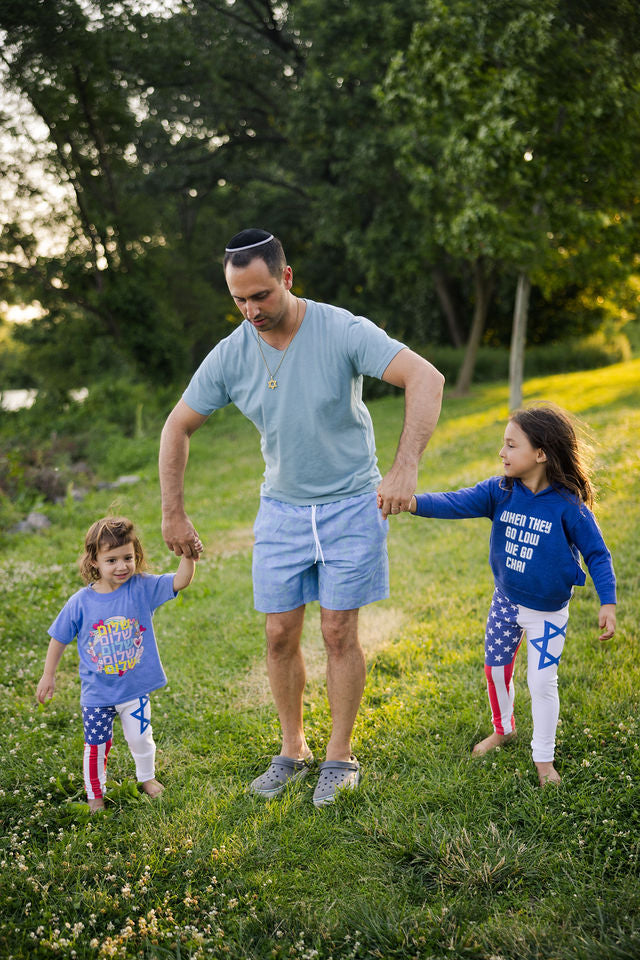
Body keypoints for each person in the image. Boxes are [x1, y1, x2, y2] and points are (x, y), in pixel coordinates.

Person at [159, 228, 444, 807]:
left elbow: (426, 377)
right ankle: (293, 750)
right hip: (282, 509)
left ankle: (339, 756)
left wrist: (404, 468)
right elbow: (176, 427)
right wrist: (174, 513)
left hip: (349, 503)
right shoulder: (232, 353)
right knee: (278, 633)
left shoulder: (340, 329)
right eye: (239, 299)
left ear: (287, 278)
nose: (251, 310)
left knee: (338, 631)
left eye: (261, 295)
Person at [394, 403, 616, 786]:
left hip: (546, 612)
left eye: (512, 445)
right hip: (505, 602)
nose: (502, 453)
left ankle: (543, 761)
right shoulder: (500, 492)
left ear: (541, 453)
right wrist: (411, 503)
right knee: (496, 671)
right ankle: (504, 728)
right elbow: (454, 501)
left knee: (542, 684)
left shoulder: (569, 507)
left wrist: (608, 602)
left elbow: (597, 553)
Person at [36, 515, 201, 812]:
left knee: (141, 739)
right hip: (97, 695)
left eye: (128, 557)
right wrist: (49, 675)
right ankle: (95, 796)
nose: (122, 566)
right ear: (94, 562)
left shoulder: (141, 588)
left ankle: (147, 778)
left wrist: (189, 556)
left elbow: (180, 581)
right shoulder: (80, 602)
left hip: (134, 689)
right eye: (111, 560)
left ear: (135, 554)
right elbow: (58, 638)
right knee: (96, 748)